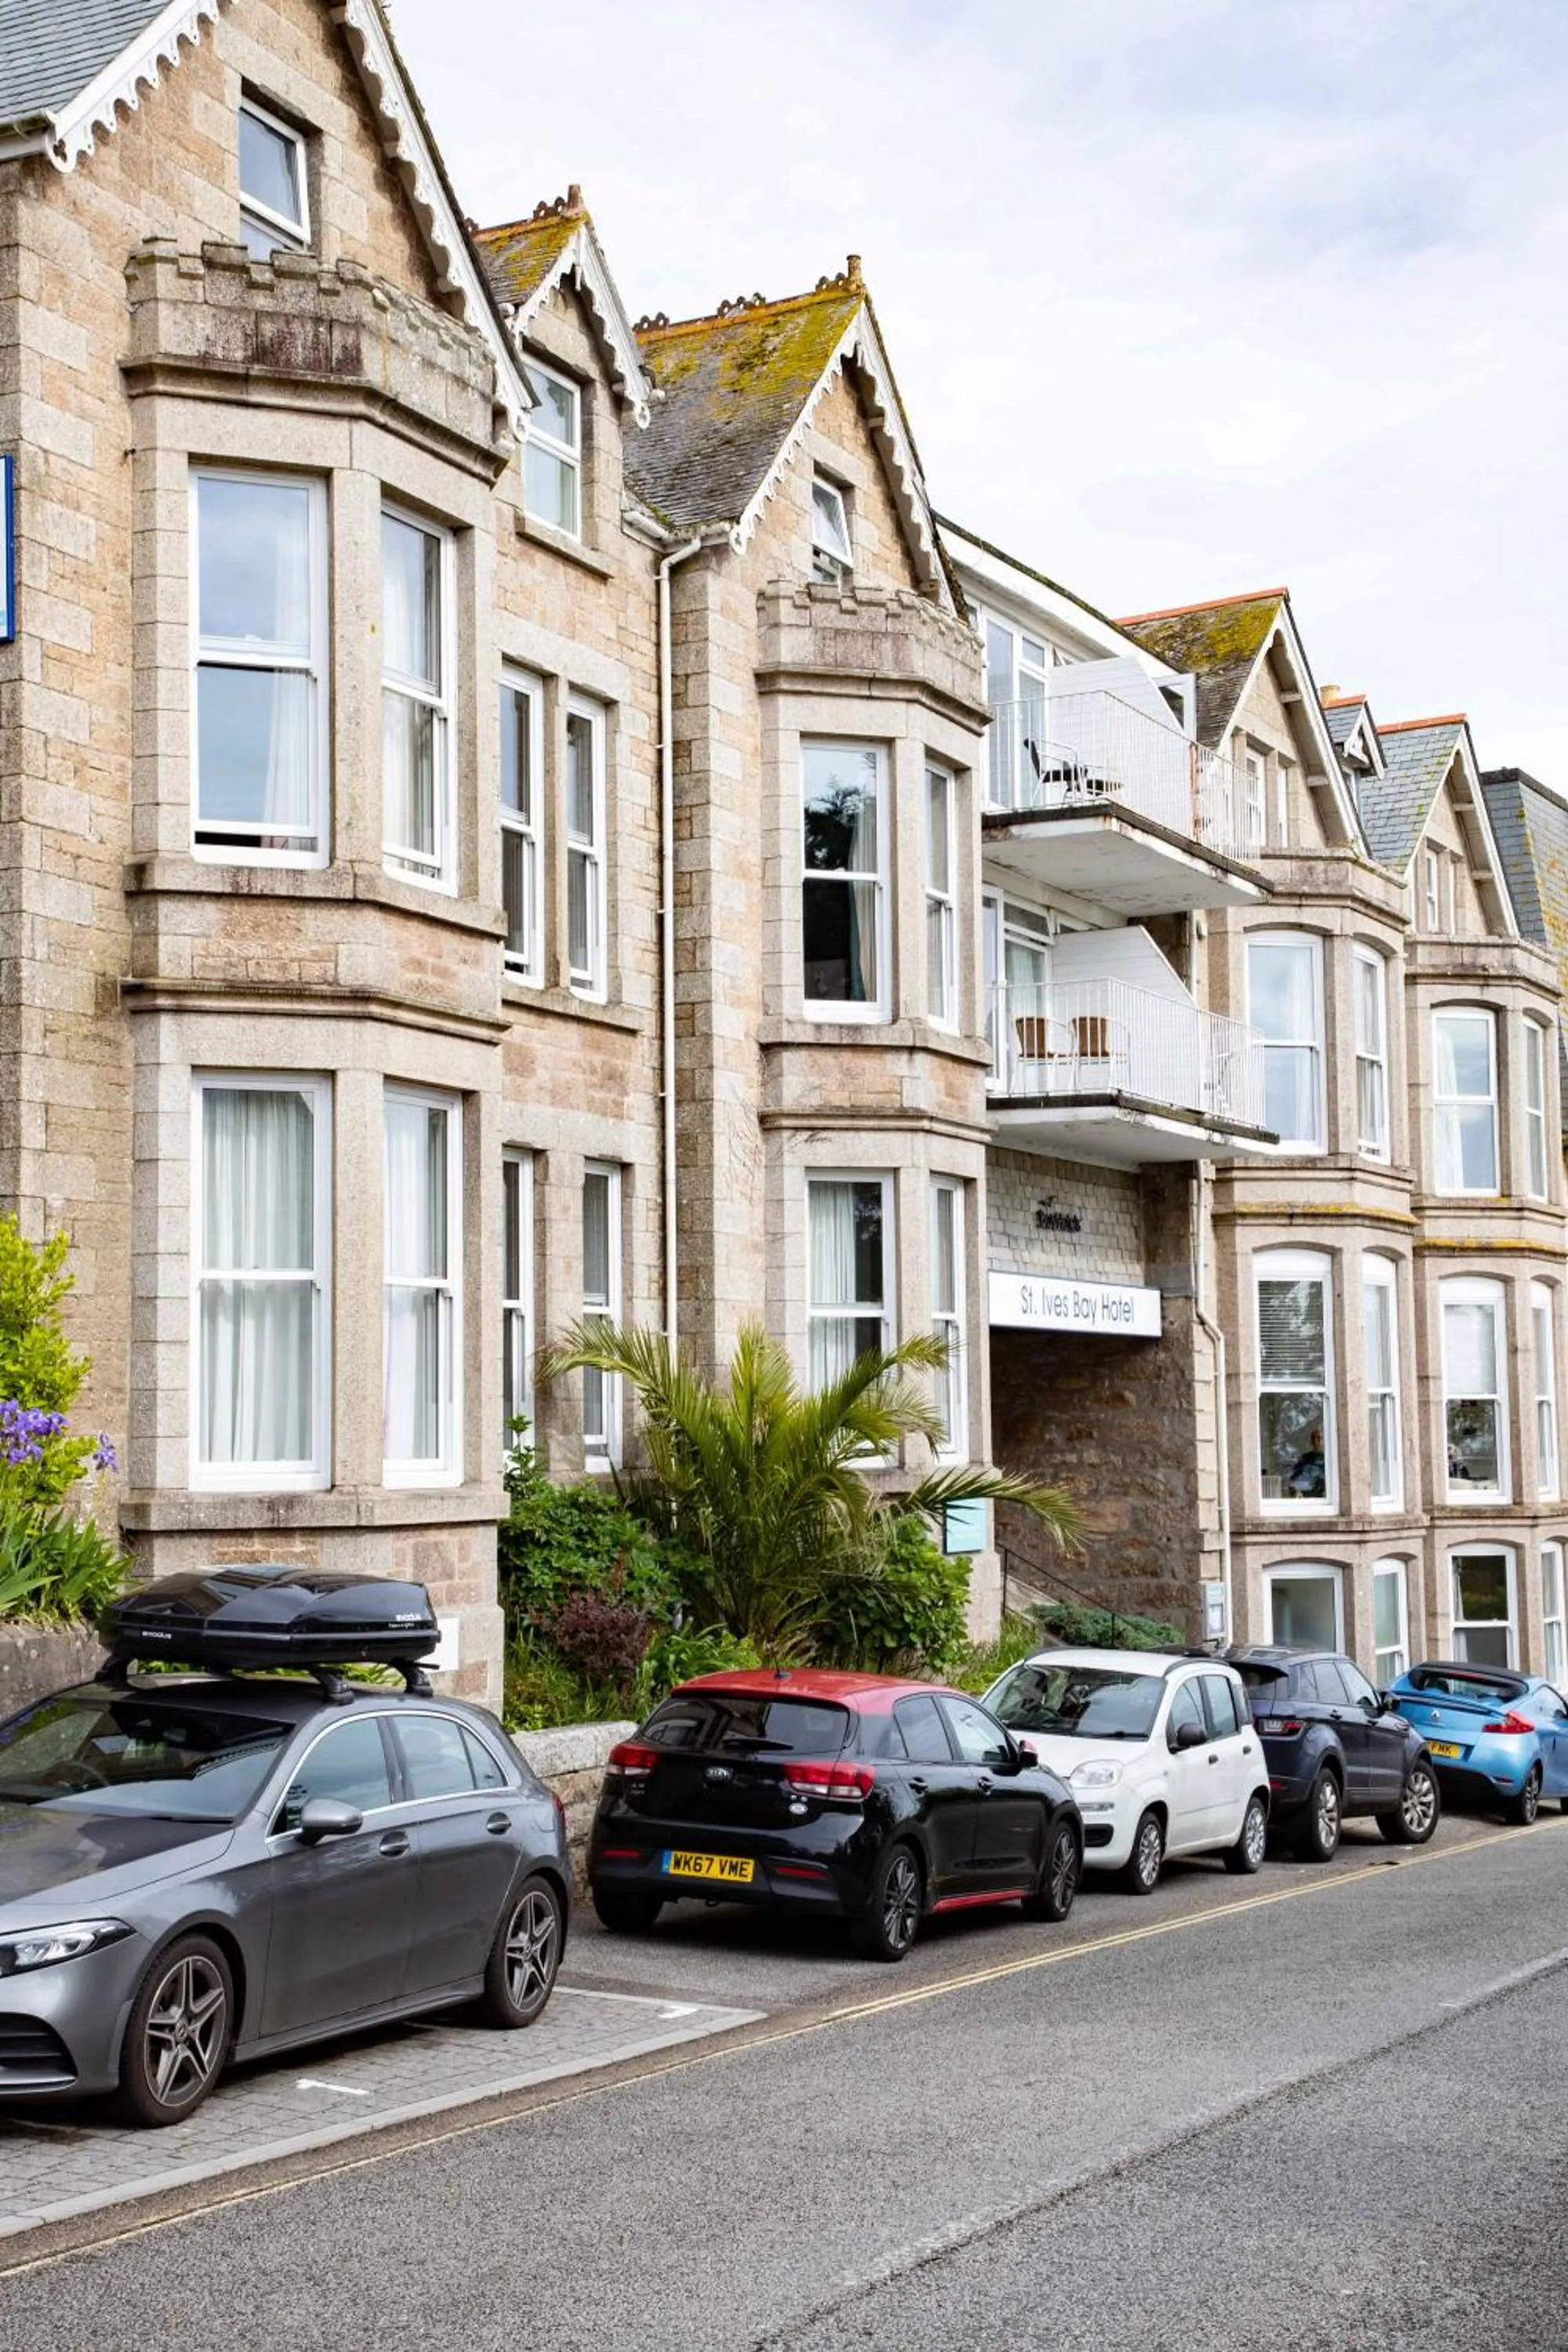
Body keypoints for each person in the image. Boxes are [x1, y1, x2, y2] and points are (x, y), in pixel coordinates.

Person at [1285, 1427, 1326, 1497]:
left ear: (1325, 1440)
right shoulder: (1304, 1459)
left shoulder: (1330, 1460)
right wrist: (1296, 1491)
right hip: (1305, 1500)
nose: (1316, 1442)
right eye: (1313, 1439)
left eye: (1319, 1438)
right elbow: (1293, 1481)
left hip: (1323, 1501)